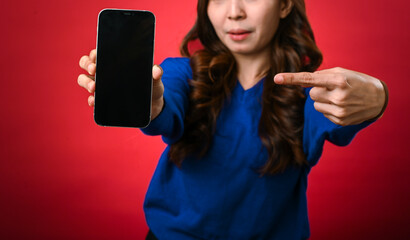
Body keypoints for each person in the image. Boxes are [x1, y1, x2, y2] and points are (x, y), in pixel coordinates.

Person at [77, 0, 388, 239]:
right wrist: (151, 101)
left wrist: (378, 96)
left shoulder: (307, 92)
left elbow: (340, 114)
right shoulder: (182, 73)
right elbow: (164, 106)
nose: (234, 13)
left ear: (284, 5)